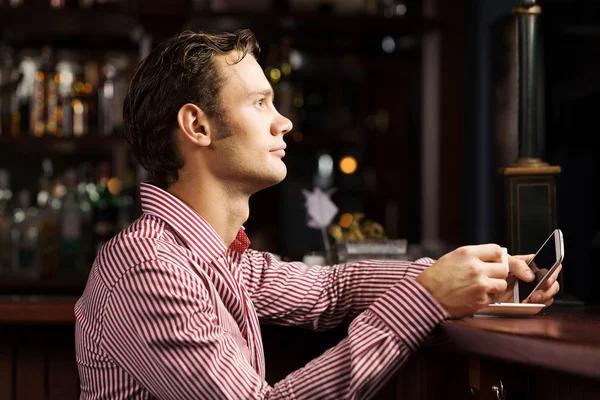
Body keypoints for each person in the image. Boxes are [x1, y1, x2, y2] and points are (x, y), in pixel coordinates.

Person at [74, 29, 561, 399]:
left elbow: (333, 289)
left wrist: (479, 277)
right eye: (260, 102)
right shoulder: (148, 268)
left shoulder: (220, 258)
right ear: (197, 125)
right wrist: (426, 299)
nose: (283, 121)